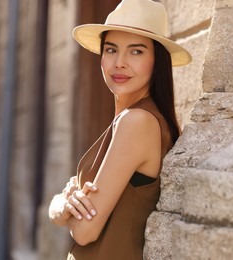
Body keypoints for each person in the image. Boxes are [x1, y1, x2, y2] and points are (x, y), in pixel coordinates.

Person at [48, 0, 192, 259]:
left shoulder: (137, 122)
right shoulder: (133, 119)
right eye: (111, 50)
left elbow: (84, 231)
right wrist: (62, 203)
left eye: (136, 52)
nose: (120, 63)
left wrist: (60, 207)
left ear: (157, 60)